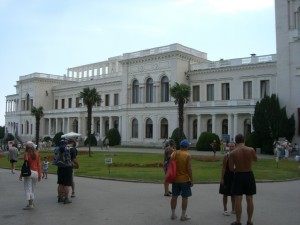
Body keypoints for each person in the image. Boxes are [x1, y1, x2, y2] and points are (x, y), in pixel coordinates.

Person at [229, 134, 257, 225]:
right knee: (249, 198)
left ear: (236, 142)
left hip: (239, 175)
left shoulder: (233, 153)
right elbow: (255, 159)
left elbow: (231, 168)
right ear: (244, 140)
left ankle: (238, 221)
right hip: (249, 174)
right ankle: (249, 221)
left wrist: (237, 168)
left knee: (238, 199)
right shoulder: (251, 149)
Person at [170, 139, 193, 221]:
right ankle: (183, 216)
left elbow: (171, 166)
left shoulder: (174, 153)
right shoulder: (188, 155)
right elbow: (189, 169)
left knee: (174, 196)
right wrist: (191, 179)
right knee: (185, 197)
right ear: (187, 146)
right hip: (184, 179)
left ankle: (173, 214)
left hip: (175, 179)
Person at [19, 141, 42, 210]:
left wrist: (21, 175)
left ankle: (30, 204)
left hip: (29, 173)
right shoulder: (37, 153)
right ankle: (31, 202)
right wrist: (40, 175)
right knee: (32, 188)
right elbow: (39, 165)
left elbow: (24, 165)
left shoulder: (26, 154)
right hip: (35, 172)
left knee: (28, 189)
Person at [57, 139, 78, 204]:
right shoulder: (72, 149)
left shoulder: (61, 148)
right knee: (67, 184)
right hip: (68, 167)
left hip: (60, 166)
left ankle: (60, 197)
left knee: (60, 183)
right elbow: (74, 159)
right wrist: (77, 165)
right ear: (73, 143)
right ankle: (66, 198)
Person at [219, 142, 236, 216]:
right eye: (230, 146)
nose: (231, 148)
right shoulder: (227, 156)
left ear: (235, 147)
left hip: (235, 176)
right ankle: (225, 209)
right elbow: (223, 168)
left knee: (233, 194)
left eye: (233, 146)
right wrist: (222, 178)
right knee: (225, 193)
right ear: (228, 147)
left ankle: (233, 209)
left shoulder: (237, 155)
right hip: (227, 176)